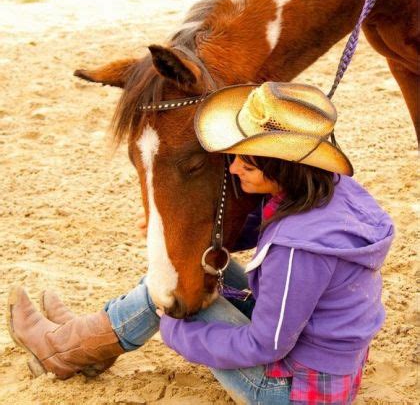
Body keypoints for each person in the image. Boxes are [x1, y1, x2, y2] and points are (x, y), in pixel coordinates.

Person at [7, 81, 394, 404]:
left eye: (248, 160)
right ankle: (84, 343)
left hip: (291, 391)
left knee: (170, 291)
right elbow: (272, 231)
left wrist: (176, 328)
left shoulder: (297, 251)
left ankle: (71, 347)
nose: (234, 167)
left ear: (284, 164)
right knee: (185, 265)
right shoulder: (330, 193)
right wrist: (183, 232)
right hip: (330, 367)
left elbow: (267, 344)